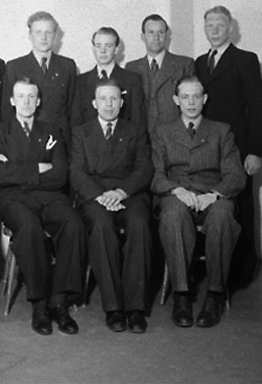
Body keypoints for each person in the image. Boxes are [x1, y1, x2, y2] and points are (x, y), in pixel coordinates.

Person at [0, 78, 86, 336]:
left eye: (31, 96)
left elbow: (60, 175)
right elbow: (0, 174)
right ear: (12, 101)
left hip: (50, 196)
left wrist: (18, 169)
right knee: (29, 226)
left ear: (39, 100)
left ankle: (59, 300)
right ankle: (39, 302)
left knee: (74, 223)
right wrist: (38, 168)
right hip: (13, 198)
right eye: (21, 96)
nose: (26, 101)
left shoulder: (51, 130)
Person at [151, 75, 245, 328]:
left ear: (204, 99)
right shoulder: (163, 131)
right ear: (176, 100)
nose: (191, 102)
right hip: (178, 195)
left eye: (196, 97)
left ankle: (215, 295)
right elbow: (156, 176)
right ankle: (182, 295)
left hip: (212, 196)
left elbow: (236, 175)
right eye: (185, 97)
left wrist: (214, 194)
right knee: (173, 214)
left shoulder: (221, 130)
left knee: (223, 214)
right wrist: (176, 190)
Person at [70, 78, 153, 334]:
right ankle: (114, 306)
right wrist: (100, 196)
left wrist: (121, 192)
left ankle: (135, 307)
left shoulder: (135, 130)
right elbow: (76, 172)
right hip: (95, 196)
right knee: (101, 226)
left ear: (122, 102)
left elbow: (144, 167)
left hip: (129, 193)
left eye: (114, 98)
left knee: (140, 224)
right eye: (103, 99)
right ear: (94, 103)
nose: (109, 104)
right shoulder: (81, 132)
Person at [195, 5, 262, 288]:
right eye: (210, 25)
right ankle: (212, 268)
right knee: (214, 205)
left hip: (238, 149)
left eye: (220, 25)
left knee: (242, 207)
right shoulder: (200, 62)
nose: (214, 30)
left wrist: (256, 151)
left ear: (231, 28)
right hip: (207, 148)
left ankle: (241, 274)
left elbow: (258, 108)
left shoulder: (245, 59)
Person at [2, 11, 76, 146]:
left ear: (55, 35)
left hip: (59, 139)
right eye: (38, 32)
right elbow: (7, 111)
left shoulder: (67, 66)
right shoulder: (15, 67)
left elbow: (72, 108)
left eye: (49, 32)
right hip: (27, 139)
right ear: (30, 35)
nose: (44, 37)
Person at [125, 14, 195, 137]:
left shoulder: (183, 64)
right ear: (143, 36)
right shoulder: (132, 68)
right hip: (142, 138)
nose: (156, 37)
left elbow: (192, 104)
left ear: (166, 35)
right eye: (151, 32)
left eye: (161, 32)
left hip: (175, 137)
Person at [72, 26, 147, 130]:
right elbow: (76, 122)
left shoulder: (132, 80)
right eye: (98, 46)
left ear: (116, 49)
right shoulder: (80, 82)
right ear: (93, 49)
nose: (103, 51)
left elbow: (138, 121)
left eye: (108, 46)